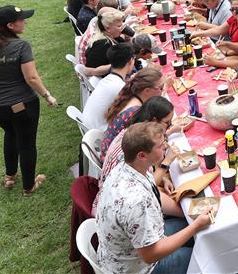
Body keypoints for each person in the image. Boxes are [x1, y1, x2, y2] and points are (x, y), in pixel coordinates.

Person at [96, 122, 211, 274]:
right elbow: (151, 255)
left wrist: (163, 179)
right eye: (160, 145)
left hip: (129, 252)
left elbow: (152, 194)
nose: (165, 146)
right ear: (142, 155)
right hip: (140, 268)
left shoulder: (129, 165)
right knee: (207, 259)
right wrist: (195, 226)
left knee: (197, 231)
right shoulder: (135, 201)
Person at [0, 6, 57, 195]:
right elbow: (32, 78)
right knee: (27, 143)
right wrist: (47, 95)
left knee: (10, 134)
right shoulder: (21, 46)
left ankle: (10, 177)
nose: (25, 22)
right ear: (10, 25)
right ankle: (29, 186)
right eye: (21, 19)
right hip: (21, 105)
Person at [82, 43, 135, 130]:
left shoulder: (107, 80)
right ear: (130, 61)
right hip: (100, 131)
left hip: (89, 125)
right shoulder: (119, 86)